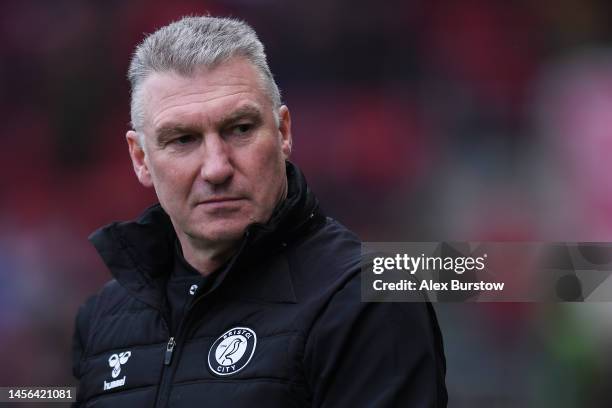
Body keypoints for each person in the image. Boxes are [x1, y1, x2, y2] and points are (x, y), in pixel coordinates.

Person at [71, 15, 447, 407]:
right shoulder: (104, 319)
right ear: (140, 158)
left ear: (283, 132)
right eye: (183, 139)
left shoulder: (368, 301)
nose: (216, 167)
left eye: (240, 129)